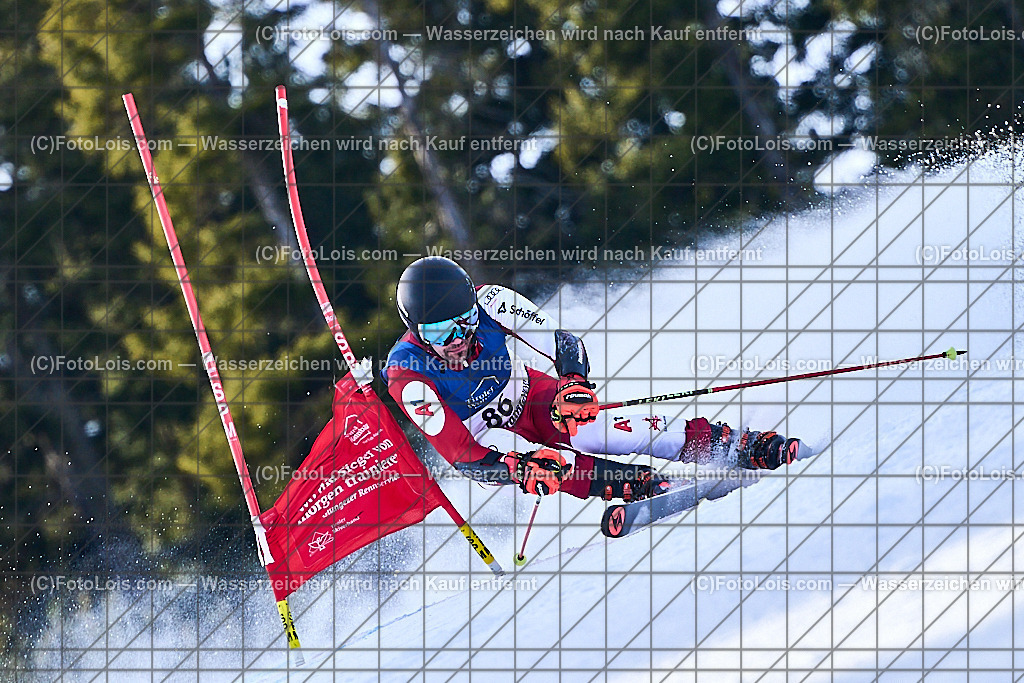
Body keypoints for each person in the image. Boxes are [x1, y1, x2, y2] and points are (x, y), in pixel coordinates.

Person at [381, 257, 810, 501]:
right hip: (486, 435)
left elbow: (562, 341)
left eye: (465, 322)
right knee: (548, 464)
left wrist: (572, 383)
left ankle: (730, 444)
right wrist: (513, 470)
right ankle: (640, 485)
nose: (458, 339)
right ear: (415, 330)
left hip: (529, 395)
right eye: (439, 332)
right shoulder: (407, 374)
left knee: (595, 427)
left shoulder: (492, 300)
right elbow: (461, 454)